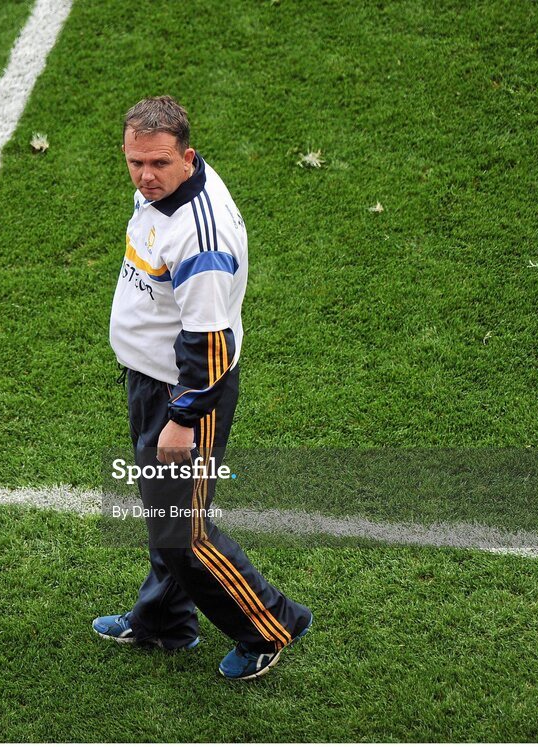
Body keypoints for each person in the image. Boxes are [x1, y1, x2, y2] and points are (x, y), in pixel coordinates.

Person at [93, 96, 313, 680]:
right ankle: (165, 623)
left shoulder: (202, 239)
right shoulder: (165, 187)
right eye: (134, 161)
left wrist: (181, 419)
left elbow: (210, 344)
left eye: (158, 164)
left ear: (186, 157)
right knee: (167, 518)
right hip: (151, 380)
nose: (144, 176)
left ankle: (271, 625)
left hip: (185, 394)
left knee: (183, 532)